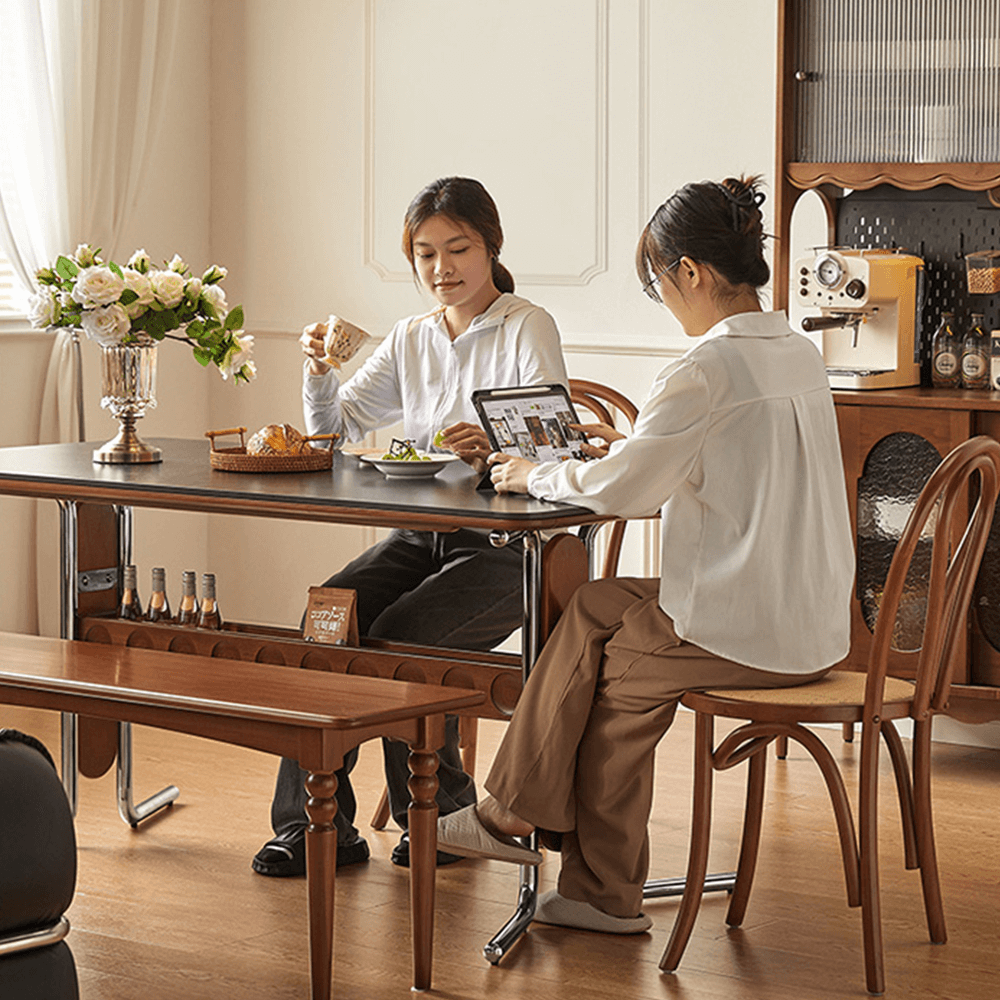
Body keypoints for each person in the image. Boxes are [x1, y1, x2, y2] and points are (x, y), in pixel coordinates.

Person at [437, 175, 855, 934]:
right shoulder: (795, 348)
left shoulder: (704, 367)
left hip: (748, 627)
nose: (662, 298)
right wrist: (613, 457)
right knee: (598, 605)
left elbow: (627, 491)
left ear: (689, 272)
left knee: (615, 678)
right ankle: (505, 813)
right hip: (811, 612)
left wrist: (539, 473)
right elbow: (686, 460)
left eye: (657, 282)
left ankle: (599, 892)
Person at [252, 176, 569, 877]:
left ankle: (446, 821)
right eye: (425, 254)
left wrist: (494, 449)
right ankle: (314, 828)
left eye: (457, 249)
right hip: (420, 534)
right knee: (325, 621)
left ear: (491, 247)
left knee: (401, 646)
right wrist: (316, 369)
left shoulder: (526, 325)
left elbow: (556, 450)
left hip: (510, 550)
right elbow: (331, 432)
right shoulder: (412, 337)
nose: (441, 269)